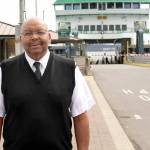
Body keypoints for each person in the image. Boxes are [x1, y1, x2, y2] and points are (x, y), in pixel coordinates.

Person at [0, 18, 95, 150]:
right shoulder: (5, 70)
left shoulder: (70, 69)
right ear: (21, 39)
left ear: (49, 37)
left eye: (40, 32)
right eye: (28, 33)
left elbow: (80, 117)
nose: (34, 37)